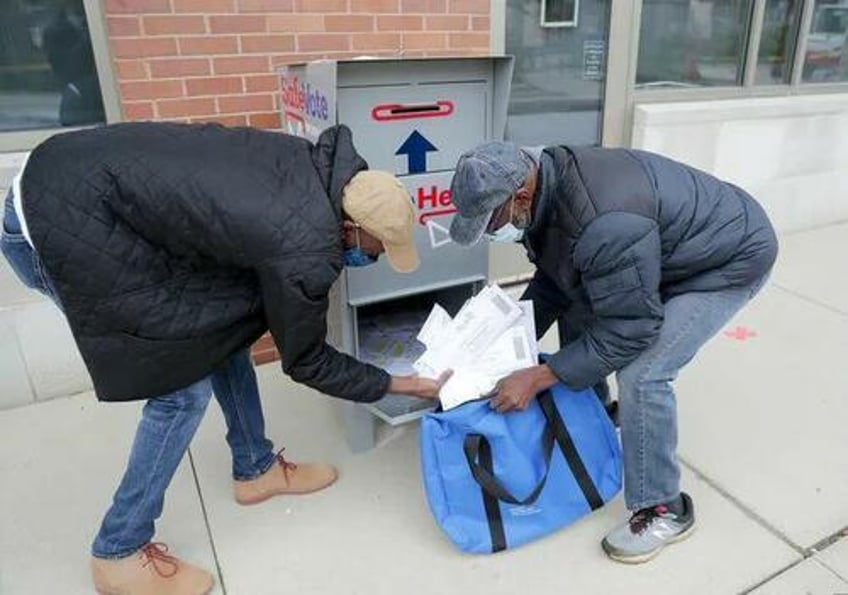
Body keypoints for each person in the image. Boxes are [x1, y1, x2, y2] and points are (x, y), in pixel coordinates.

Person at [1, 121, 448, 595]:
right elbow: (306, 360)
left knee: (219, 331)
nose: (376, 259)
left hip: (78, 177)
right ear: (350, 227)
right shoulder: (306, 246)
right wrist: (400, 384)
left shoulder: (317, 168)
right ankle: (118, 550)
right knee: (180, 392)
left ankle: (255, 469)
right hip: (62, 222)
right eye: (378, 249)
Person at [448, 141, 778, 564]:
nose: (491, 233)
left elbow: (631, 331)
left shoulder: (604, 223)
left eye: (491, 221)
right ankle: (598, 415)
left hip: (728, 258)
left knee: (644, 373)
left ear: (521, 196)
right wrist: (499, 343)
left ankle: (663, 508)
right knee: (577, 303)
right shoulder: (548, 183)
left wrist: (536, 376)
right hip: (673, 241)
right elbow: (556, 280)